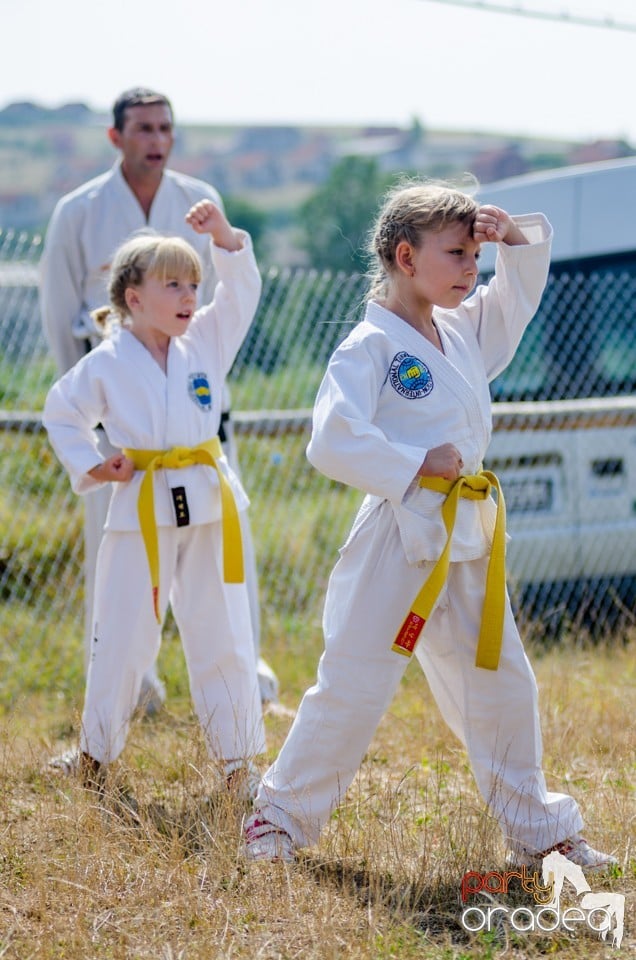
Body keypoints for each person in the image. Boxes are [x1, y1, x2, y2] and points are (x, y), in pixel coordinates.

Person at [243, 181, 617, 871]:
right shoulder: (368, 347)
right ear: (405, 256)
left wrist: (514, 240)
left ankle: (540, 831)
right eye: (457, 254)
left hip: (467, 531)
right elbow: (329, 439)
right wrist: (415, 465)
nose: (472, 267)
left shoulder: (458, 329)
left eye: (475, 253)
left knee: (502, 680)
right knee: (354, 683)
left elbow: (515, 301)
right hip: (399, 533)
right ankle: (276, 821)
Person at [39, 87, 279, 726]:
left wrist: (221, 236)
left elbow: (233, 297)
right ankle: (129, 690)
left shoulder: (197, 202)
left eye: (166, 127)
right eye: (143, 128)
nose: (157, 138)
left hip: (198, 427)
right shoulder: (78, 211)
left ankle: (244, 682)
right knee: (121, 583)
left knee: (224, 576)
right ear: (117, 136)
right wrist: (100, 433)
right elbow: (58, 311)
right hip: (126, 435)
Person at [43, 200, 265, 797]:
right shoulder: (107, 361)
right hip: (141, 506)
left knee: (224, 627)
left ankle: (239, 762)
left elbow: (241, 293)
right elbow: (63, 412)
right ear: (133, 297)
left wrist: (223, 237)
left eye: (194, 283)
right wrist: (96, 462)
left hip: (210, 502)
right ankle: (94, 754)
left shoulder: (208, 341)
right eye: (174, 284)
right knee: (122, 632)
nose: (191, 296)